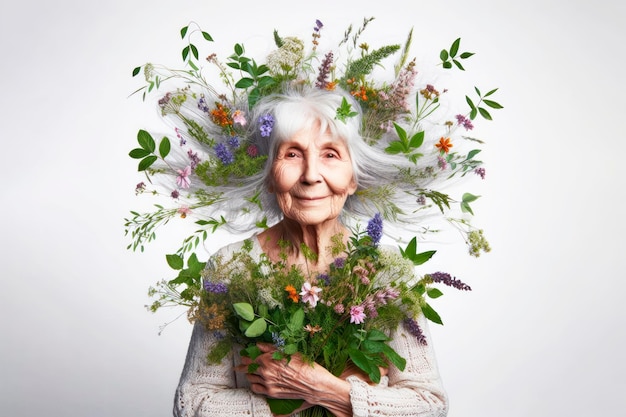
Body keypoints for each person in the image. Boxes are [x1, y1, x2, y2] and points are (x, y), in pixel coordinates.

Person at [172, 87, 449, 417]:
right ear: (270, 177)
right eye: (292, 154)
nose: (310, 176)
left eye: (330, 155)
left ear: (352, 179)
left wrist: (322, 388)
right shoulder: (232, 268)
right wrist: (286, 401)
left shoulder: (387, 271)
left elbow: (429, 404)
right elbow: (192, 404)